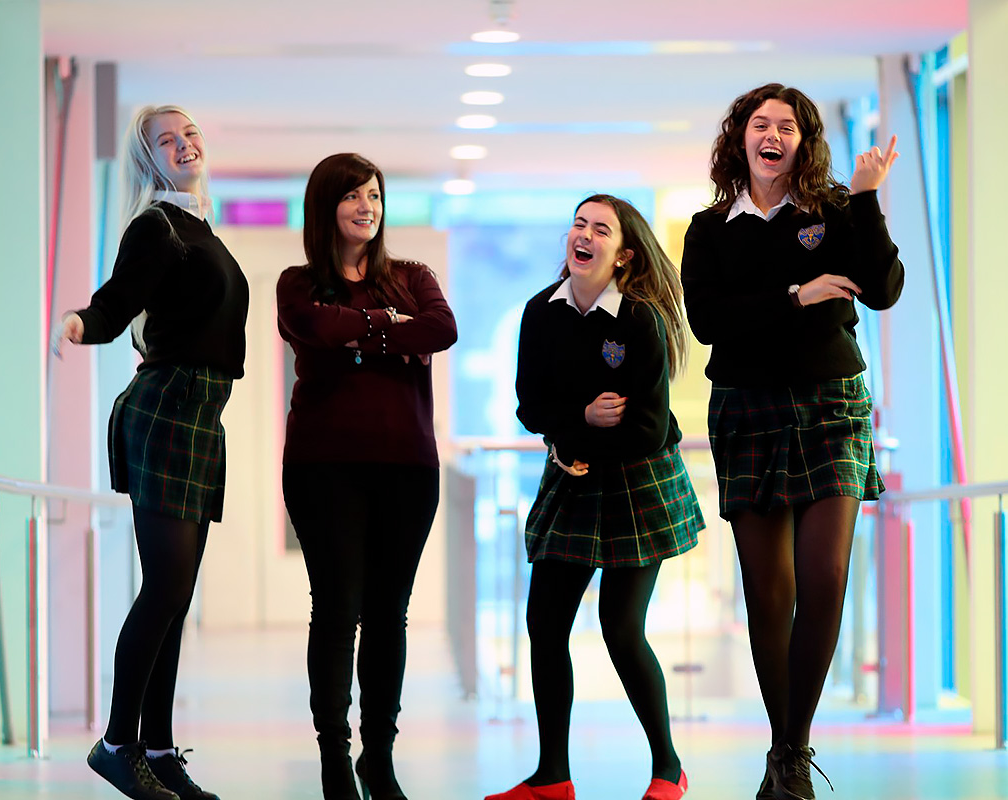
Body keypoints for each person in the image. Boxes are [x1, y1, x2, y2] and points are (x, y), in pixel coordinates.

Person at [679, 83, 904, 800]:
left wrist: (866, 198)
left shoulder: (833, 211)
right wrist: (796, 297)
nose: (771, 135)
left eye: (786, 126)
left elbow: (883, 288)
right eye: (759, 124)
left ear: (804, 142)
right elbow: (710, 321)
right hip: (746, 410)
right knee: (768, 591)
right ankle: (784, 751)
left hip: (832, 405)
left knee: (825, 578)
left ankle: (792, 752)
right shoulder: (710, 229)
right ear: (740, 139)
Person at [53, 104, 248, 800]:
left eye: (189, 133)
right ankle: (117, 744)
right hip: (167, 410)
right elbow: (116, 302)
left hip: (201, 415)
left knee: (177, 595)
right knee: (164, 586)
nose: (184, 145)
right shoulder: (157, 225)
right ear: (150, 161)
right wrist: (80, 323)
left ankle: (160, 751)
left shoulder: (200, 227)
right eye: (167, 141)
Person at [487, 195, 705, 800]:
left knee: (621, 628)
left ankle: (669, 768)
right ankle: (551, 777)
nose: (583, 235)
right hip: (573, 475)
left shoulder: (639, 320)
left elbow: (648, 430)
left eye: (600, 229)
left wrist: (574, 435)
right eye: (578, 224)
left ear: (623, 255)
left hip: (639, 483)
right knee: (544, 624)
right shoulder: (541, 312)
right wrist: (581, 420)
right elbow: (530, 407)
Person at [275, 153, 458, 800]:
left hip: (407, 468)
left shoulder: (413, 276)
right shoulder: (298, 284)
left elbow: (442, 328)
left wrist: (357, 338)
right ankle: (334, 758)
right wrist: (390, 329)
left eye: (375, 196)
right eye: (353, 195)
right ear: (325, 207)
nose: (367, 207)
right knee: (336, 610)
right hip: (323, 468)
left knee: (388, 615)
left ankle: (377, 757)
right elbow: (314, 325)